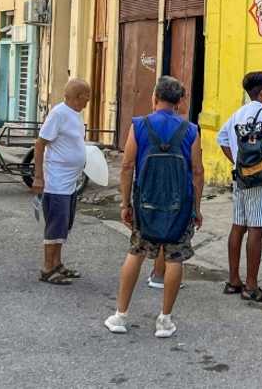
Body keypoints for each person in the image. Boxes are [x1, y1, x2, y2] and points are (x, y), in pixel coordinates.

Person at [107, 76, 204, 338]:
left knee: (136, 252)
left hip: (145, 204)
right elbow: (197, 171)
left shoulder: (139, 126)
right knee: (174, 258)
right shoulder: (190, 130)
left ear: (154, 97)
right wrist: (196, 208)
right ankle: (165, 320)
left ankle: (120, 315)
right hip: (179, 205)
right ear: (180, 101)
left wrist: (125, 203)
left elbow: (127, 166)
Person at [217, 71, 262, 303]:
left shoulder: (238, 114)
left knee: (238, 226)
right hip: (258, 179)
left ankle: (234, 280)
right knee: (256, 228)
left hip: (240, 177)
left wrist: (237, 161)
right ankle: (251, 285)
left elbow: (222, 139)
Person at [32, 78, 93, 285]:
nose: (88, 101)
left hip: (70, 183)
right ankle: (48, 268)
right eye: (86, 97)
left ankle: (58, 264)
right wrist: (39, 177)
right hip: (56, 182)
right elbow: (40, 144)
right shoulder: (58, 114)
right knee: (55, 226)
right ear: (76, 97)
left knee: (64, 225)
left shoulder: (75, 114)